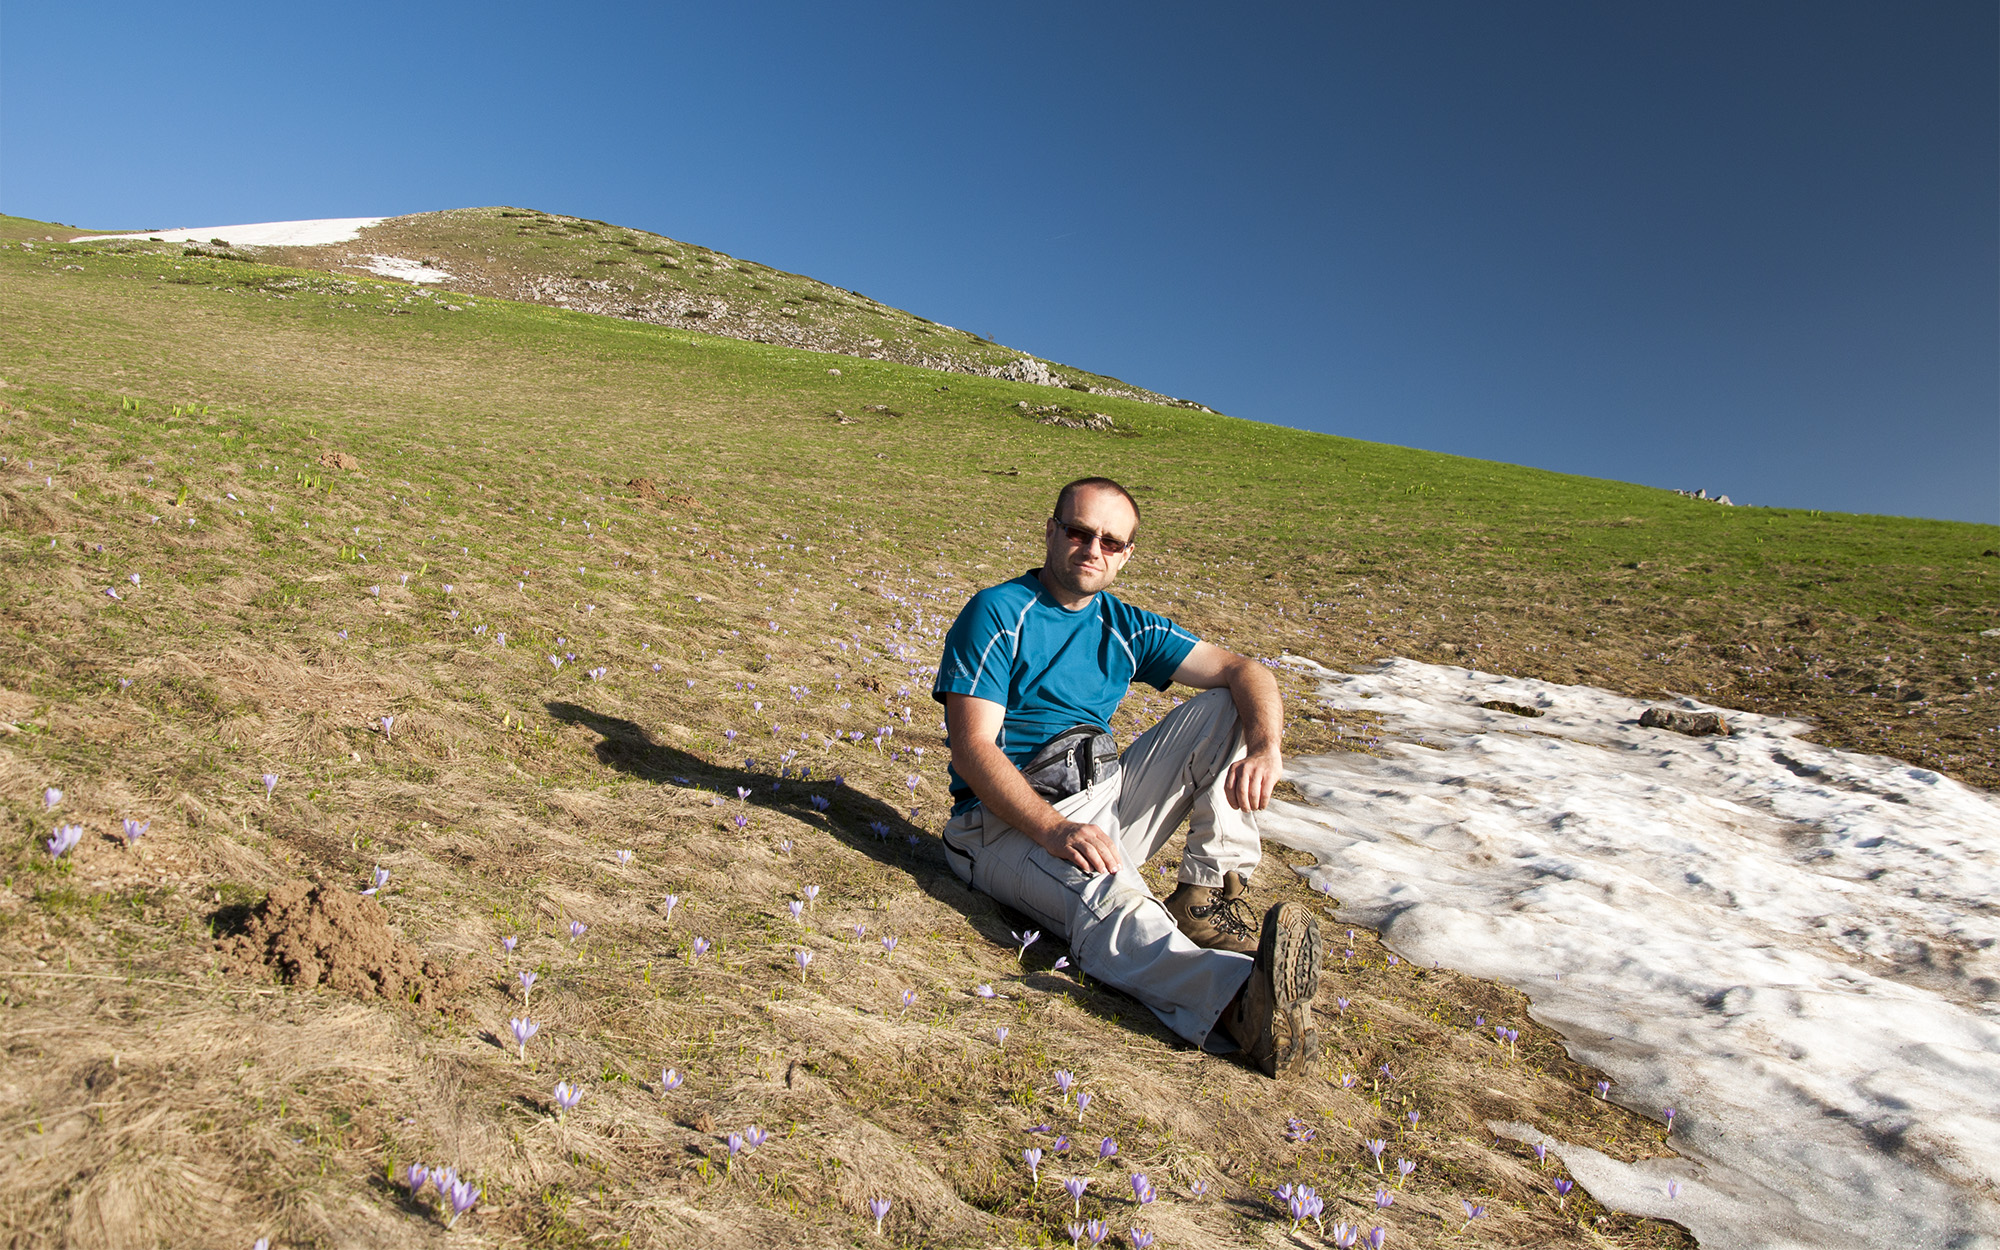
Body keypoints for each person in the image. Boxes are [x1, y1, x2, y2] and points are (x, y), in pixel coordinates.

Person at [933, 476, 1323, 1076]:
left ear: (1126, 555)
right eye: (1079, 532)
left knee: (1229, 706)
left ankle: (1207, 893)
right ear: (1051, 531)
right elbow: (972, 749)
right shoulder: (999, 612)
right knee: (1111, 896)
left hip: (1105, 801)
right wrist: (1051, 829)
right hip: (1006, 826)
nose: (1093, 549)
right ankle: (1241, 1003)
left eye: (1110, 542)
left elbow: (1246, 669)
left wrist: (1267, 749)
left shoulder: (1123, 623)